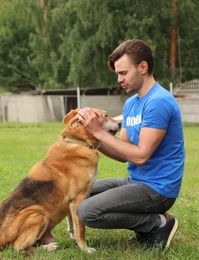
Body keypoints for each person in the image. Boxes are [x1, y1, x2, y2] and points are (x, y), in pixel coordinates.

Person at [76, 39, 185, 250]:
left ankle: (157, 224)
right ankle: (147, 226)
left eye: (123, 72)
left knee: (87, 211)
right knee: (78, 192)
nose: (119, 79)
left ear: (142, 67)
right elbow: (123, 152)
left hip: (158, 189)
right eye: (118, 74)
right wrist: (92, 137)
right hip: (135, 181)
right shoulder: (132, 103)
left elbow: (140, 156)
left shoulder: (158, 102)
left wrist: (98, 131)